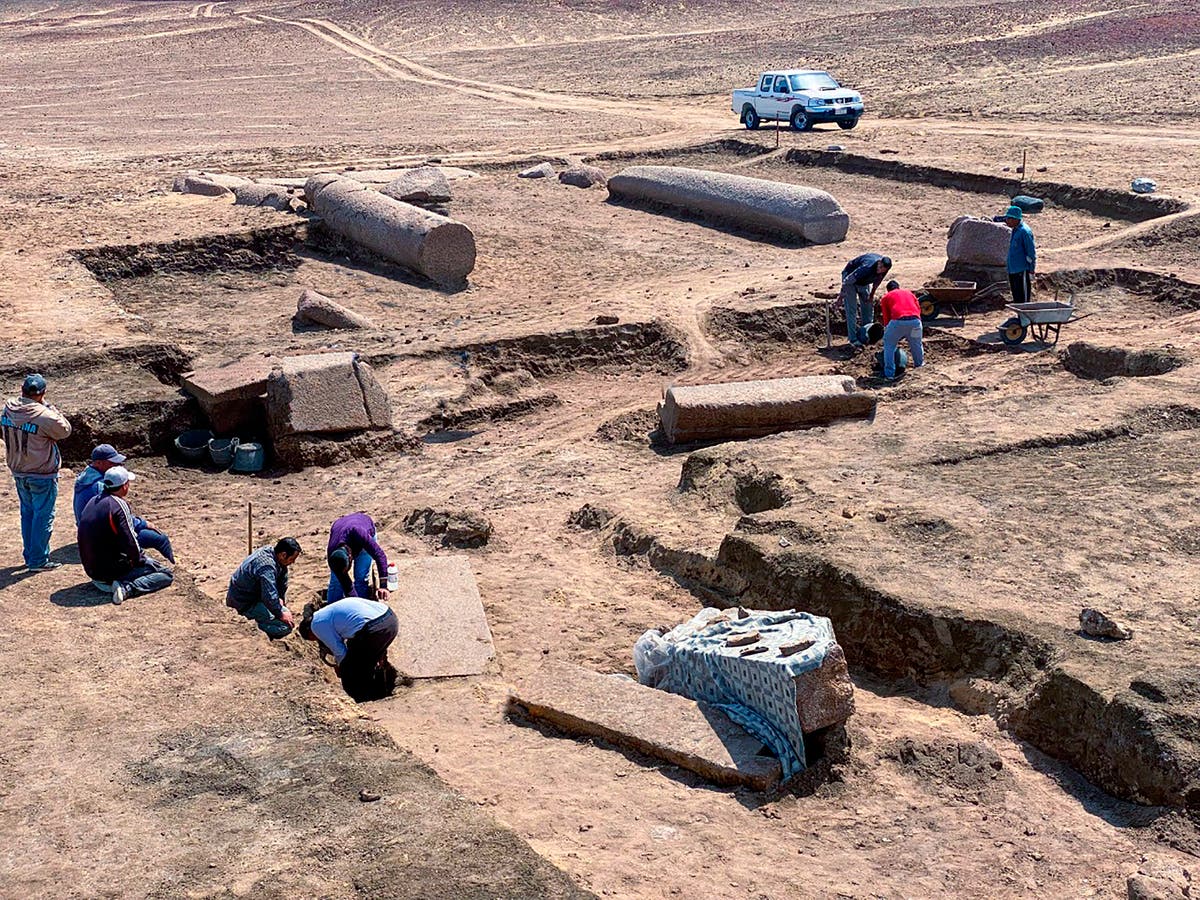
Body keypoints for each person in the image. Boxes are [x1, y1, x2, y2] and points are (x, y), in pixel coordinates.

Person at [3, 374, 72, 571]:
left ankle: (30, 556)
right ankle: (38, 560)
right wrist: (49, 407)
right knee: (43, 516)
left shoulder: (8, 409)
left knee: (28, 513)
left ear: (22, 390)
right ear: (42, 394)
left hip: (18, 470)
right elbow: (65, 430)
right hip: (41, 473)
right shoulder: (43, 415)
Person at [77, 466, 174, 604]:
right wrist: (141, 561)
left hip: (93, 571)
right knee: (166, 574)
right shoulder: (118, 505)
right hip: (108, 572)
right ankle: (126, 588)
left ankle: (116, 581)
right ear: (124, 486)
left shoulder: (93, 501)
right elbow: (130, 540)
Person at [73, 443, 175, 563]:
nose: (117, 465)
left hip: (88, 530)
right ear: (99, 463)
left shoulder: (86, 477)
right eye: (112, 463)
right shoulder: (100, 488)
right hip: (101, 536)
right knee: (160, 538)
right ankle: (172, 564)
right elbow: (118, 518)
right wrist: (143, 523)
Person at [300, 595, 399, 702]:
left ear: (310, 633)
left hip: (374, 630)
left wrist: (341, 667)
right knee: (365, 659)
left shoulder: (316, 625)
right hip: (390, 620)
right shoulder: (327, 613)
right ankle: (377, 689)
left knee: (350, 669)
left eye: (314, 639)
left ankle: (361, 699)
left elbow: (339, 651)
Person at [226, 538, 302, 639]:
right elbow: (269, 595)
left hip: (256, 597)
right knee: (285, 627)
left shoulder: (275, 557)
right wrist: (280, 614)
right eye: (292, 559)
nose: (292, 562)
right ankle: (249, 626)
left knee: (284, 612)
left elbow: (281, 584)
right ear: (283, 555)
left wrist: (280, 601)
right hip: (244, 603)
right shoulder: (266, 566)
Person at [326, 512, 390, 603]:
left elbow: (380, 555)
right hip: (341, 526)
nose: (345, 574)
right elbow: (347, 586)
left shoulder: (358, 533)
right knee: (336, 582)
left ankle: (363, 605)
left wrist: (383, 586)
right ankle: (332, 609)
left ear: (350, 556)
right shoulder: (333, 557)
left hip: (363, 528)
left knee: (361, 577)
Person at [838, 254, 892, 347]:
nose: (880, 270)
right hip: (850, 279)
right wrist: (840, 297)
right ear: (879, 262)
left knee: (868, 306)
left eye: (883, 269)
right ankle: (853, 339)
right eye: (880, 267)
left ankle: (867, 333)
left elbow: (877, 281)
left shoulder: (885, 268)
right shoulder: (866, 267)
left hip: (864, 281)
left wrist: (871, 295)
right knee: (852, 309)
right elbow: (847, 281)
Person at [878, 280, 925, 381]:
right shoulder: (909, 293)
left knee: (889, 346)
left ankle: (889, 374)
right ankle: (920, 366)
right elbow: (918, 309)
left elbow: (886, 317)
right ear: (898, 287)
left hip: (898, 321)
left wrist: (889, 330)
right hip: (915, 322)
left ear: (888, 290)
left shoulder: (886, 297)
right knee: (916, 343)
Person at [1005, 205, 1036, 306]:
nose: (1006, 221)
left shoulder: (1024, 232)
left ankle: (1025, 319)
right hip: (1013, 270)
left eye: (1009, 218)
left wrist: (1031, 270)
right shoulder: (1015, 230)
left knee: (1023, 299)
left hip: (1021, 271)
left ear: (1015, 219)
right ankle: (1020, 319)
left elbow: (1031, 253)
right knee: (1017, 298)